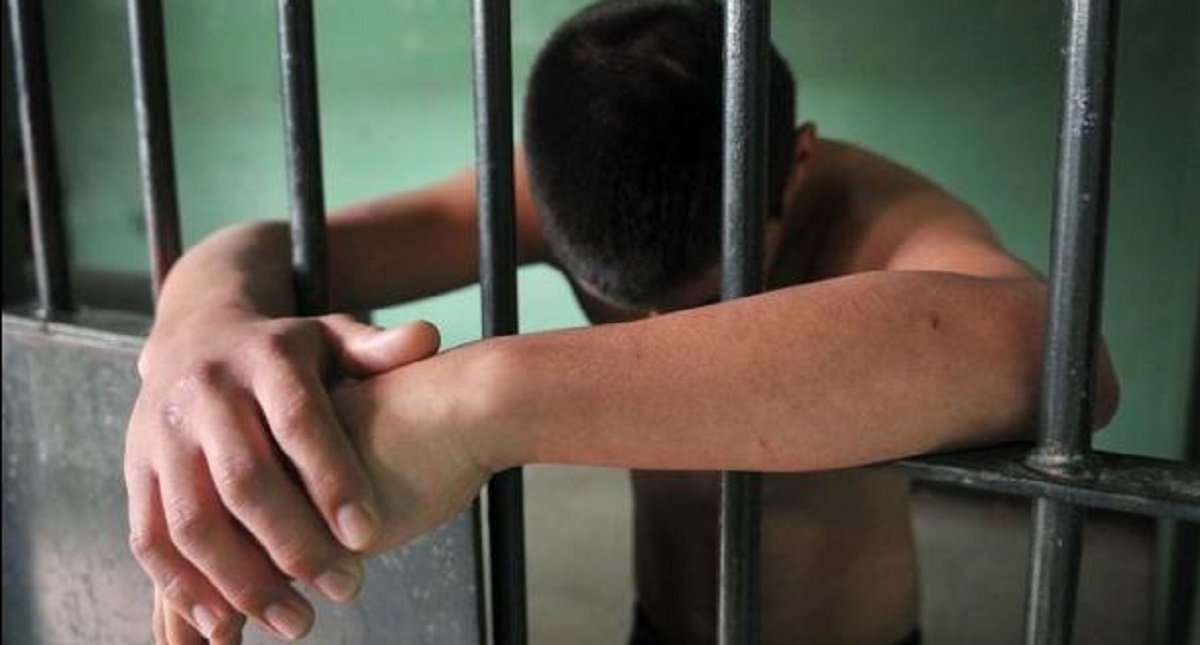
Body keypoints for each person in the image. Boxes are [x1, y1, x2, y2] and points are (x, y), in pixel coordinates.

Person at [123, 1, 1120, 643]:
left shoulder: (870, 213)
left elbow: (1058, 353)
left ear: (799, 163)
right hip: (655, 620)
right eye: (617, 296)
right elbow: (271, 247)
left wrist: (480, 401)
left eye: (708, 291)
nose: (653, 323)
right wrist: (196, 327)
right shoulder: (559, 183)